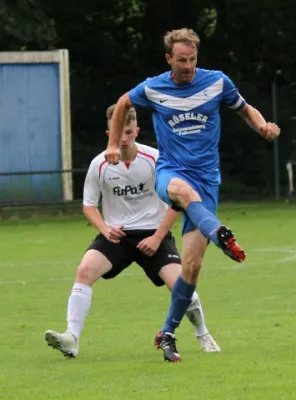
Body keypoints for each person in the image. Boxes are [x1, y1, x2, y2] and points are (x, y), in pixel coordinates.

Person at [105, 28, 280, 362]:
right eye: (181, 60)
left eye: (192, 59)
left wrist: (261, 127)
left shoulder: (217, 82)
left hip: (207, 182)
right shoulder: (154, 86)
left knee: (192, 266)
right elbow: (124, 102)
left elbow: (244, 108)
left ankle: (167, 333)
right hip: (171, 173)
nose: (187, 66)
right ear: (169, 59)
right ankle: (219, 234)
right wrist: (114, 143)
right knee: (184, 192)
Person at [45, 104, 220, 359]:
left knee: (183, 287)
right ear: (109, 133)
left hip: (154, 233)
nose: (123, 139)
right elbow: (89, 206)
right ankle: (71, 338)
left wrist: (158, 236)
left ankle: (203, 335)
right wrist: (105, 228)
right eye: (118, 134)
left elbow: (178, 201)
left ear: (136, 130)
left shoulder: (156, 159)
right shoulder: (99, 165)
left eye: (128, 132)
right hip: (116, 236)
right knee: (84, 271)